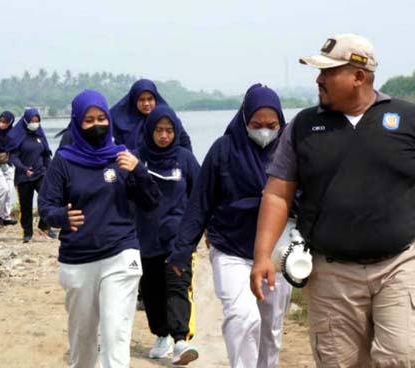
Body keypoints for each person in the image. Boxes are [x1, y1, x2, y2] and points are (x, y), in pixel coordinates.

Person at [250, 33, 415, 367]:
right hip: (331, 273)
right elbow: (278, 194)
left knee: (402, 356)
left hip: (399, 265)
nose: (318, 79)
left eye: (328, 72)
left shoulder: (406, 119)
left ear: (358, 76)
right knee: (339, 362)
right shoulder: (303, 126)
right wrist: (262, 255)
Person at [169, 84, 291, 368]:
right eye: (256, 124)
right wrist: (182, 249)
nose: (264, 131)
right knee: (243, 316)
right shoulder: (224, 150)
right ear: (243, 119)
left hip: (276, 253)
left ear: (281, 123)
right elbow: (200, 201)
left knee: (270, 328)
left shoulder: (290, 151)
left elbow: (305, 195)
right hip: (232, 249)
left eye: (271, 125)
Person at [38, 89, 160, 368]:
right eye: (89, 120)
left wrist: (139, 170)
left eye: (101, 118)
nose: (97, 125)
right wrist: (63, 217)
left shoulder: (122, 157)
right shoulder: (64, 161)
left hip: (121, 252)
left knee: (115, 332)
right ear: (77, 123)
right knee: (82, 339)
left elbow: (151, 202)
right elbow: (46, 207)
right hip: (78, 260)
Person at [134, 105, 200, 365]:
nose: (164, 136)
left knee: (177, 287)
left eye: (169, 130)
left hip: (178, 240)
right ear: (150, 131)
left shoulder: (184, 159)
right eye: (159, 130)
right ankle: (161, 335)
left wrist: (197, 233)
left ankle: (181, 341)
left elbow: (200, 195)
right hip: (146, 239)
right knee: (151, 292)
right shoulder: (138, 158)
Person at [7, 108, 56, 242]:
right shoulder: (18, 136)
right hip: (24, 176)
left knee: (49, 198)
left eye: (37, 121)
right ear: (26, 121)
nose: (35, 123)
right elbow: (13, 157)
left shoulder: (40, 135)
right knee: (26, 205)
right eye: (32, 121)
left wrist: (51, 170)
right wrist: (23, 169)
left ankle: (45, 226)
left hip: (41, 173)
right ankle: (27, 232)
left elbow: (46, 155)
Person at [110, 79, 192, 150]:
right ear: (134, 101)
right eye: (141, 100)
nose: (146, 103)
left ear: (155, 99)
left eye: (150, 99)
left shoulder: (168, 118)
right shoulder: (122, 122)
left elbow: (184, 142)